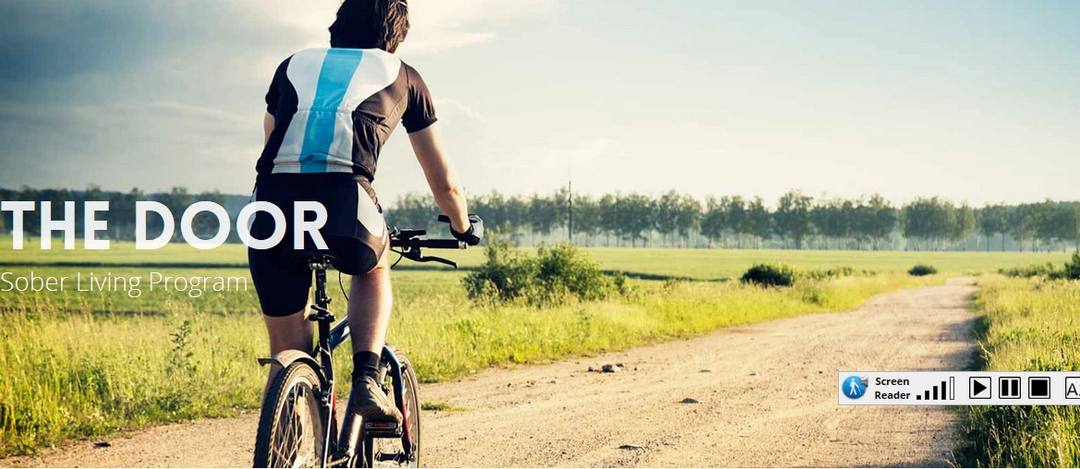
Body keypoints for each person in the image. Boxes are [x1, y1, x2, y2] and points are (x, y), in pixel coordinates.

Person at [248, 0, 482, 425]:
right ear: (395, 38)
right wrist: (463, 227)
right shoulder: (404, 75)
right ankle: (367, 378)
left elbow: (271, 142)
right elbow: (444, 184)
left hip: (271, 204)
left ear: (338, 26)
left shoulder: (292, 65)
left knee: (287, 352)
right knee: (374, 263)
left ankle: (285, 444)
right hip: (344, 199)